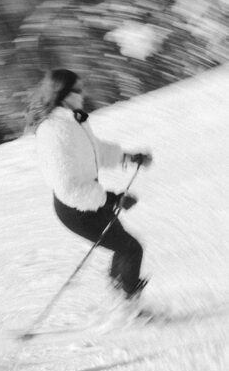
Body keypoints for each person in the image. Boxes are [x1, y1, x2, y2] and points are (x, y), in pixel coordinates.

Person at [26, 68, 153, 307]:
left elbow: (96, 151)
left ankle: (120, 294)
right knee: (131, 249)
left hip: (91, 199)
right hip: (76, 209)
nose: (83, 94)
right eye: (78, 90)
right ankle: (129, 308)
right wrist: (113, 200)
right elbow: (67, 187)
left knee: (125, 246)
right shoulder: (53, 132)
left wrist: (129, 157)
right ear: (62, 94)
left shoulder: (72, 121)